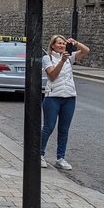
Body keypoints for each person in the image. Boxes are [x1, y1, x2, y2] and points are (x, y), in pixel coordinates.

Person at [41, 35, 90, 170]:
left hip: (69, 97)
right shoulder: (48, 58)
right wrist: (62, 61)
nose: (62, 46)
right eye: (59, 43)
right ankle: (40, 154)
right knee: (48, 127)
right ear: (52, 45)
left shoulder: (69, 58)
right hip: (53, 97)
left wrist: (76, 43)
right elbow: (52, 75)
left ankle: (60, 158)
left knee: (64, 130)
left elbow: (86, 51)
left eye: (63, 43)